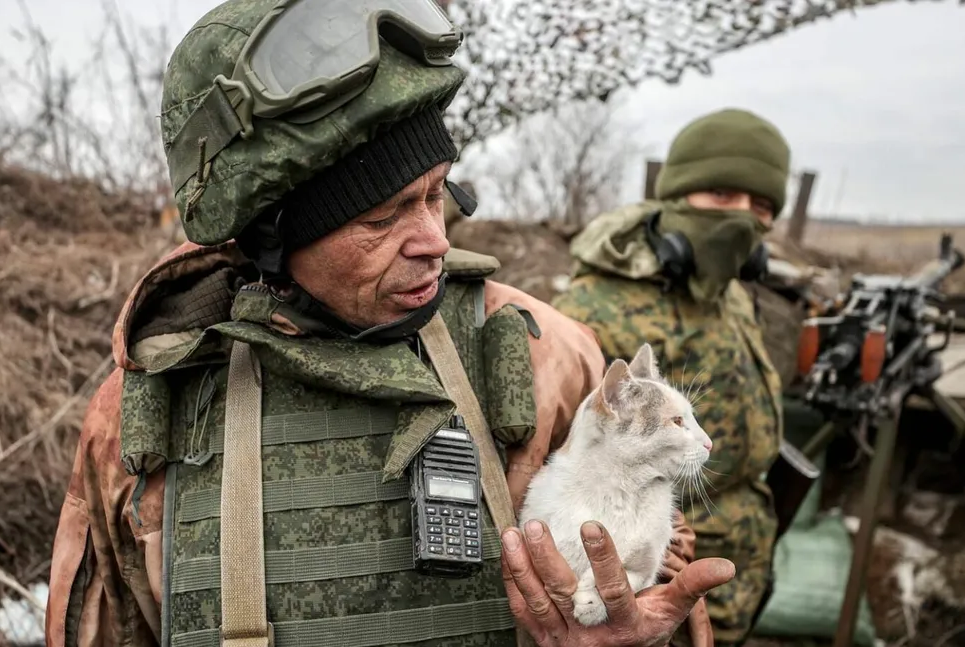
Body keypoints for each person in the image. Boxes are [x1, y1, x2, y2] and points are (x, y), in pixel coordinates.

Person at [43, 2, 735, 646]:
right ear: (277, 236)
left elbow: (654, 590)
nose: (434, 237)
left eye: (439, 193)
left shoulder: (546, 359)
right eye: (384, 215)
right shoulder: (144, 412)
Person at [551, 108, 791, 647]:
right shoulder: (593, 308)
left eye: (762, 207)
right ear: (677, 196)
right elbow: (569, 468)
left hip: (739, 582)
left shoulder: (731, 297)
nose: (745, 219)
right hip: (650, 596)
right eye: (724, 197)